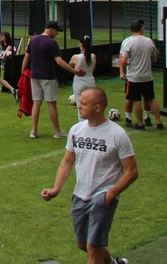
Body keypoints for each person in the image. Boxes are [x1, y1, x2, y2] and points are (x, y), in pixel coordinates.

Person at [42, 88, 137, 264]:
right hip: (80, 194)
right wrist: (56, 188)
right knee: (83, 244)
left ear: (97, 107)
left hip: (103, 196)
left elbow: (132, 171)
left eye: (84, 103)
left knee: (93, 247)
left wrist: (111, 193)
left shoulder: (117, 134)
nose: (79, 106)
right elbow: (67, 161)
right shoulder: (76, 130)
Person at [24, 22, 83, 139]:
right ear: (51, 29)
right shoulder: (52, 43)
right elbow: (59, 61)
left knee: (36, 102)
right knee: (51, 103)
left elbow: (26, 56)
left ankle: (34, 131)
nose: (56, 34)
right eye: (56, 31)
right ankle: (57, 131)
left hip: (34, 76)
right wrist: (74, 71)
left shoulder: (33, 40)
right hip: (48, 76)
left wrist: (23, 72)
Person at [118, 20, 163, 131]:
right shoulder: (149, 42)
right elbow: (154, 59)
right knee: (151, 98)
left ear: (130, 30)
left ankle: (140, 123)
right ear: (142, 29)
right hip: (147, 76)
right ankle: (158, 121)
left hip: (134, 77)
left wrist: (122, 72)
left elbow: (123, 60)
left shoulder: (128, 42)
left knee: (136, 100)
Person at [71, 36, 97, 122]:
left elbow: (69, 66)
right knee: (91, 103)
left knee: (80, 104)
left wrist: (76, 70)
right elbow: (92, 69)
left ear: (81, 44)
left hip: (79, 81)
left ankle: (82, 124)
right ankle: (92, 121)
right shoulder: (93, 56)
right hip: (90, 80)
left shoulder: (76, 57)